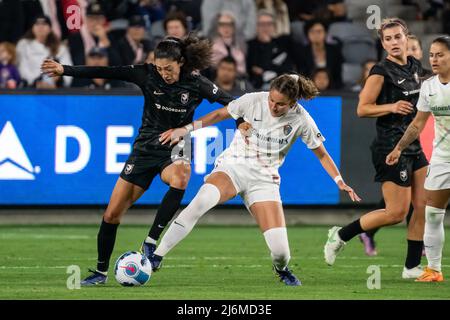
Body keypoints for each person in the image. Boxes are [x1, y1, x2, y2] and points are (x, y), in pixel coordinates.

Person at [40, 35, 237, 286]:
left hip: (177, 144)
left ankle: (151, 241)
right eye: (159, 68)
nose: (163, 73)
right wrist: (64, 69)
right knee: (112, 215)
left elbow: (231, 103)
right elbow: (107, 71)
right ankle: (100, 273)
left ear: (181, 63)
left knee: (181, 176)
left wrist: (241, 122)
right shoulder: (146, 74)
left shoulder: (196, 82)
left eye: (169, 68)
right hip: (145, 148)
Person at [149, 74, 361, 286]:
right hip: (233, 166)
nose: (273, 106)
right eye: (271, 99)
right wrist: (185, 129)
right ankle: (156, 257)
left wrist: (339, 181)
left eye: (280, 104)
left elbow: (322, 154)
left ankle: (281, 269)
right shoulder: (252, 100)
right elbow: (218, 115)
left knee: (280, 252)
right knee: (201, 201)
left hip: (264, 180)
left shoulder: (302, 119)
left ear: (293, 103)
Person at [324, 18, 428, 279]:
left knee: (422, 205)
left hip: (413, 143)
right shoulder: (381, 71)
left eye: (397, 37)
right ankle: (341, 234)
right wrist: (391, 107)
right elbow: (362, 108)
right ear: (383, 44)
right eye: (388, 39)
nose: (394, 42)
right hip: (390, 146)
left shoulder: (415, 66)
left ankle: (411, 267)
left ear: (407, 38)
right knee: (396, 213)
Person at [385, 36, 450, 282]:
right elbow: (417, 124)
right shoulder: (429, 86)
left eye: (440, 54)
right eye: (432, 54)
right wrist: (399, 148)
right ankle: (434, 270)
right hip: (443, 158)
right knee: (433, 214)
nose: (434, 59)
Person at [16, 14, 72, 87]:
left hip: (55, 89)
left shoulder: (60, 48)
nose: (40, 27)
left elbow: (68, 70)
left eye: (44, 24)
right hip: (30, 88)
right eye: (37, 24)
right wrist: (35, 82)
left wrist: (57, 82)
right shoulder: (24, 44)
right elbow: (21, 68)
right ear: (32, 28)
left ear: (50, 28)